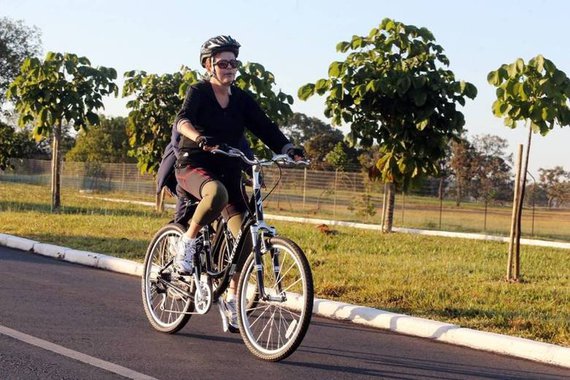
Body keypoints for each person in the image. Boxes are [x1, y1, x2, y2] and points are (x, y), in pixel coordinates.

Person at [173, 35, 303, 329]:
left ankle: (232, 298)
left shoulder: (241, 99)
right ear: (209, 65)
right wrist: (199, 138)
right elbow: (182, 121)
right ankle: (188, 241)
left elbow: (264, 126)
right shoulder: (199, 91)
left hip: (230, 168)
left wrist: (287, 149)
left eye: (234, 63)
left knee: (243, 233)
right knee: (215, 194)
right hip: (195, 164)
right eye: (223, 63)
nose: (229, 68)